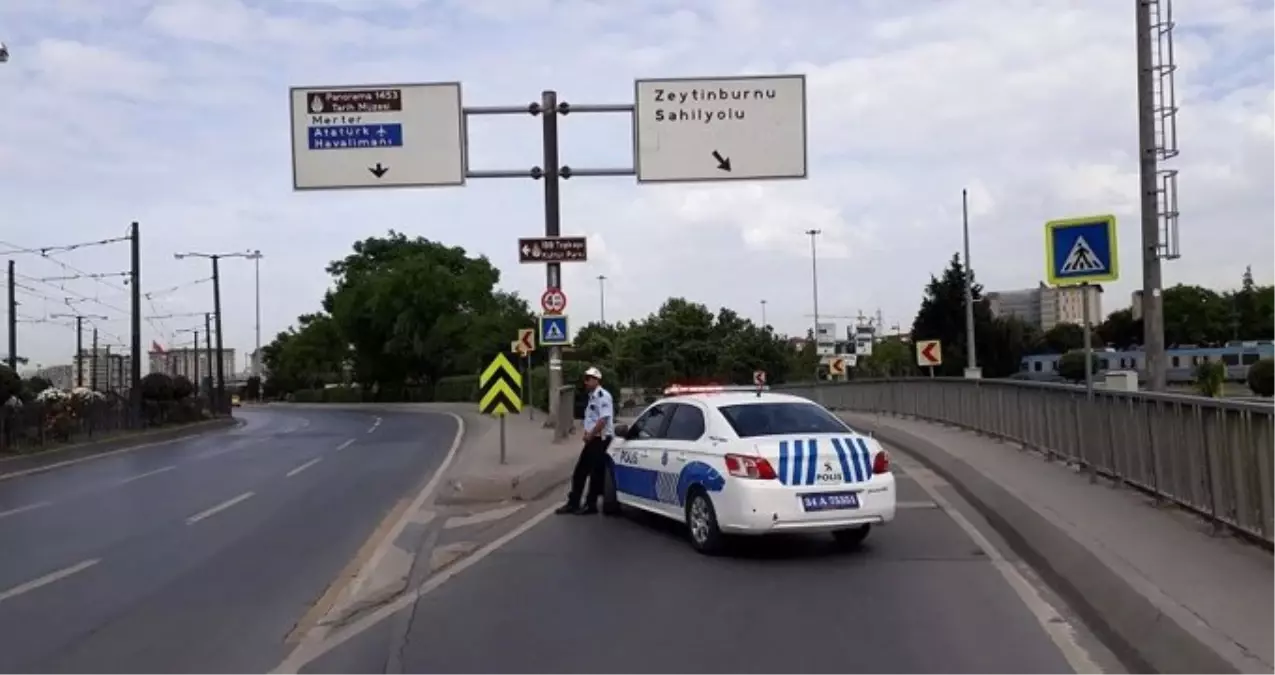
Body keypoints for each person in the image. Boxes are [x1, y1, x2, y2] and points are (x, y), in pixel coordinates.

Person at [556, 366, 614, 515]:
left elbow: (602, 420)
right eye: (586, 379)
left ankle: (591, 504)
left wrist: (590, 434)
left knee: (594, 474)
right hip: (592, 439)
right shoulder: (592, 396)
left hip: (600, 440)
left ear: (596, 380)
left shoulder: (603, 396)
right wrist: (587, 433)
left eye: (589, 379)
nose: (586, 382)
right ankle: (573, 503)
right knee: (580, 472)